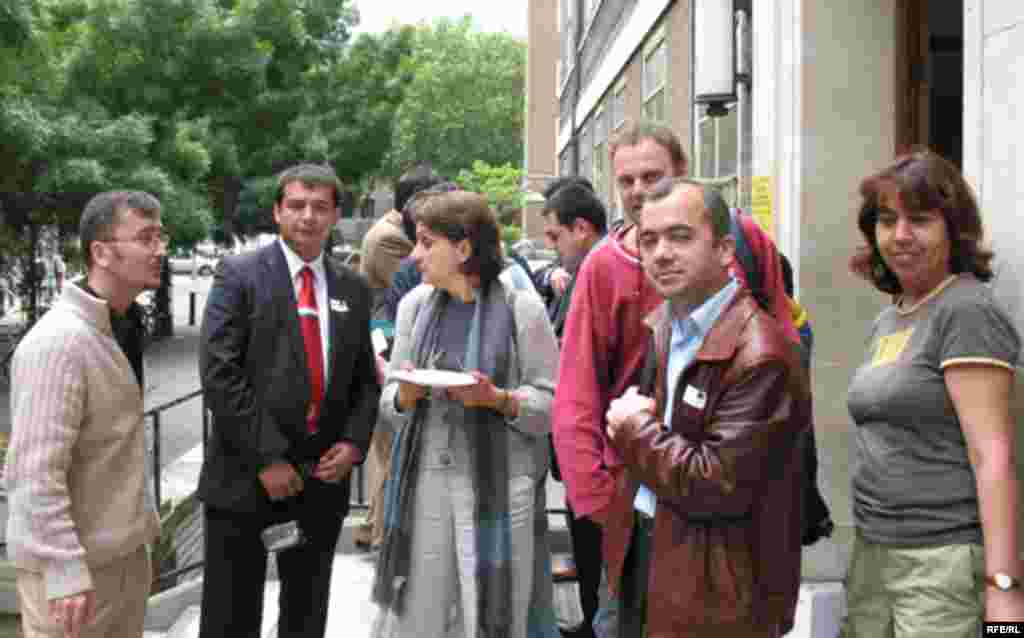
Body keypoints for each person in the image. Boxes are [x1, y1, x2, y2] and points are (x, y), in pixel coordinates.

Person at [603, 178, 809, 636]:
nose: (661, 253)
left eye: (680, 236)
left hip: (715, 593)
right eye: (649, 239)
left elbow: (716, 482)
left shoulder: (762, 354)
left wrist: (635, 430)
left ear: (723, 250)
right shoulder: (662, 326)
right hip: (648, 554)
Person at [843, 149, 1024, 636]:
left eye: (919, 220)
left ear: (953, 228)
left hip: (941, 564)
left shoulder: (965, 311)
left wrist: (1004, 591)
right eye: (886, 220)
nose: (899, 235)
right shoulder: (893, 316)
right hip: (875, 554)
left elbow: (995, 457)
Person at [198, 163, 381, 638]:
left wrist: (355, 445)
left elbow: (365, 379)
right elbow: (220, 373)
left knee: (306, 615)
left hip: (321, 482)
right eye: (296, 205)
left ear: (336, 215)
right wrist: (268, 457)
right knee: (230, 618)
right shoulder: (239, 274)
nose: (307, 217)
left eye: (320, 207)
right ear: (278, 211)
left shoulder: (353, 288)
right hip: (245, 479)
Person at [370, 191, 560, 638]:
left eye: (425, 242)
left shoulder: (521, 308)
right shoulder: (414, 307)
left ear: (463, 248)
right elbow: (390, 401)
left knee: (493, 616)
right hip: (425, 485)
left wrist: (498, 400)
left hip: (500, 485)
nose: (415, 255)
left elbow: (549, 408)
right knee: (419, 617)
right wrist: (407, 394)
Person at [5, 191, 166, 637]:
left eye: (161, 236)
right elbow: (34, 475)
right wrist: (63, 570)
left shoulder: (120, 327)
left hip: (122, 561)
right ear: (101, 252)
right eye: (146, 238)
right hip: (74, 578)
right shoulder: (59, 343)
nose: (160, 250)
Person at [551, 120, 688, 637]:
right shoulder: (603, 267)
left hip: (711, 489)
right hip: (625, 494)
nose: (637, 191)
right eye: (626, 180)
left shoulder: (739, 248)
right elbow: (577, 390)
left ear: (681, 173)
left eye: (651, 176)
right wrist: (593, 497)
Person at [355, 164, 442, 550]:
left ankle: (374, 528)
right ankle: (381, 536)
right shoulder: (393, 241)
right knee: (391, 451)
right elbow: (415, 287)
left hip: (387, 343)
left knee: (387, 450)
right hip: (387, 346)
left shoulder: (392, 232)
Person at [540, 181, 607, 637]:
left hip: (600, 457)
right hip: (579, 458)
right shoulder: (578, 274)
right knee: (586, 560)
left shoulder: (600, 274)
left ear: (580, 228)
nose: (551, 246)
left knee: (599, 564)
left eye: (554, 236)